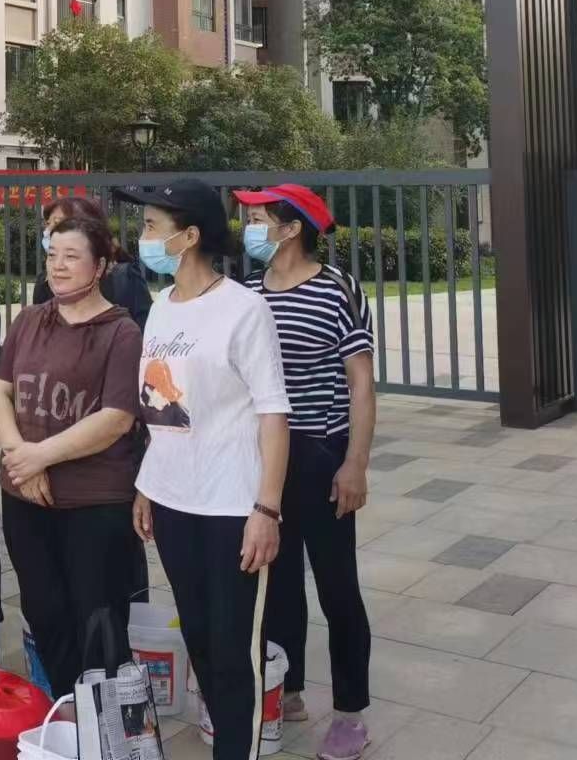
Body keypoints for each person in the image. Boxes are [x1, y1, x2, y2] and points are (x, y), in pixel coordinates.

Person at [123, 180, 289, 760]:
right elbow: (159, 409)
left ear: (189, 236)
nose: (142, 236)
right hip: (173, 501)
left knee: (232, 648)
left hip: (231, 506)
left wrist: (266, 509)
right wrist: (147, 486)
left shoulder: (244, 309)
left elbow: (273, 413)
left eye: (151, 226)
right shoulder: (161, 307)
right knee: (197, 637)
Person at [237, 185, 375, 760]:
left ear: (291, 228)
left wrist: (354, 463)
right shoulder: (246, 292)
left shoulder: (337, 290)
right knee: (276, 580)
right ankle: (286, 687)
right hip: (262, 459)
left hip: (319, 453)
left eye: (257, 218)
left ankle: (350, 713)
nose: (247, 228)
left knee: (336, 585)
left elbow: (360, 383)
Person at [0, 212, 145, 702]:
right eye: (52, 255)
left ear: (99, 266)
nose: (57, 266)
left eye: (71, 256)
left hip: (93, 502)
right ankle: (68, 710)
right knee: (45, 612)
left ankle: (107, 722)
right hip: (25, 497)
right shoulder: (29, 320)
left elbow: (116, 418)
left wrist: (39, 457)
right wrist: (20, 457)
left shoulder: (122, 332)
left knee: (97, 616)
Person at [31, 196, 153, 331]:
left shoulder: (124, 279)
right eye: (48, 224)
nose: (48, 231)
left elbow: (145, 331)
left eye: (58, 223)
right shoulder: (44, 283)